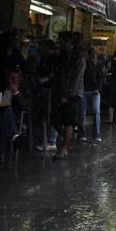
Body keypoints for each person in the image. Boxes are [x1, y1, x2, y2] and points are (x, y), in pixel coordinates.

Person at [52, 32, 85, 160]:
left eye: (61, 41)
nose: (59, 44)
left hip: (73, 94)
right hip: (60, 91)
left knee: (68, 122)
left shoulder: (79, 59)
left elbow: (77, 79)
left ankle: (64, 149)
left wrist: (67, 95)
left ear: (69, 42)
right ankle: (66, 140)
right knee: (56, 121)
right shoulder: (61, 56)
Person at [78, 48, 103, 143]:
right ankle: (90, 134)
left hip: (91, 91)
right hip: (88, 90)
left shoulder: (97, 65)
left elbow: (100, 77)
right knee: (85, 113)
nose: (94, 60)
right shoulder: (86, 64)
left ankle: (92, 135)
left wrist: (98, 89)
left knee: (91, 112)